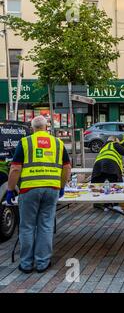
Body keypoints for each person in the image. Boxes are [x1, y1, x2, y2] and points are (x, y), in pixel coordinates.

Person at [6, 116, 71, 274]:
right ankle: (42, 263)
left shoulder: (25, 142)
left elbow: (15, 169)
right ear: (47, 127)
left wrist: (10, 189)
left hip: (29, 189)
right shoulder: (58, 143)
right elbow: (67, 167)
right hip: (51, 189)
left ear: (31, 127)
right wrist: (61, 186)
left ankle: (26, 264)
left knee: (27, 226)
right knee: (46, 225)